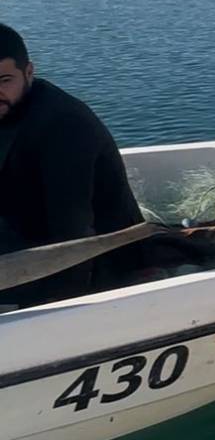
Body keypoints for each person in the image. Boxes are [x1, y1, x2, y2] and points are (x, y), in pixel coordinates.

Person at [0, 23, 144, 308]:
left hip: (97, 262)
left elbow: (73, 231)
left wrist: (60, 310)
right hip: (23, 232)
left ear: (29, 72)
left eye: (4, 80)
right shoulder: (9, 109)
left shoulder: (65, 126)